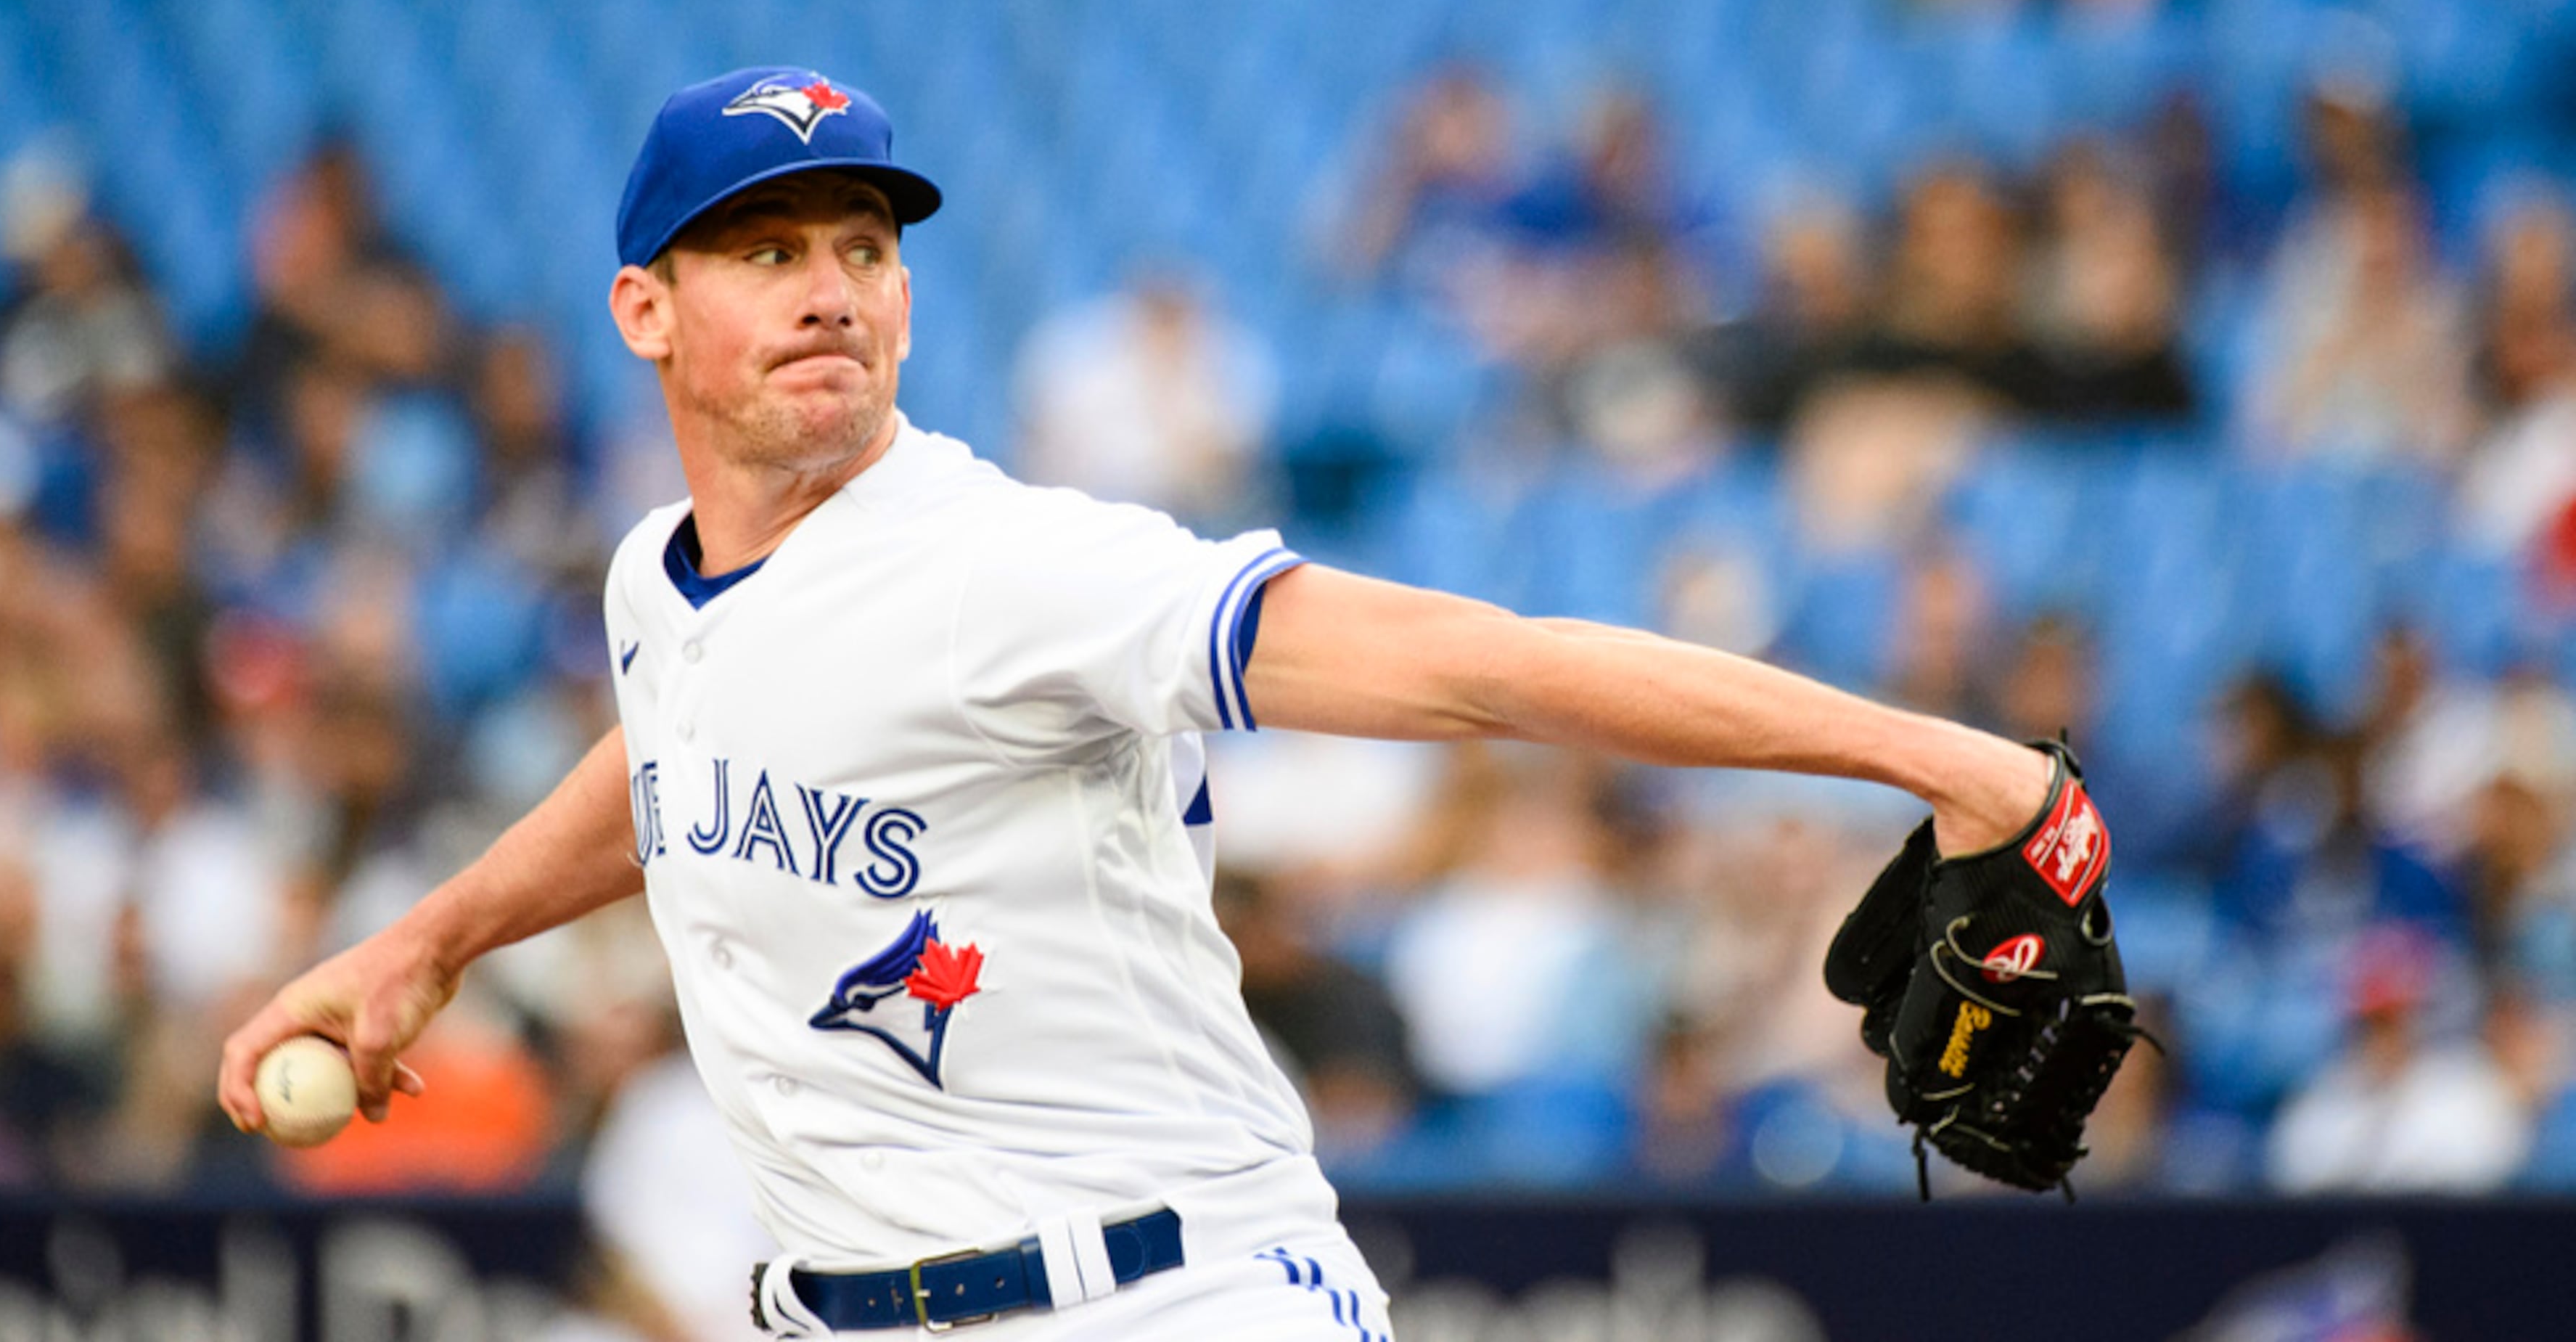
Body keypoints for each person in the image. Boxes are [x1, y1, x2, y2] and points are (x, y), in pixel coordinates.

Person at [218, 67, 2066, 1338]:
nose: (828, 292)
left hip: (1162, 1300)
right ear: (645, 312)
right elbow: (682, 749)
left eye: (863, 247)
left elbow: (1480, 663)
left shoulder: (1011, 571)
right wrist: (436, 940)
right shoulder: (660, 584)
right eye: (765, 251)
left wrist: (1931, 753)